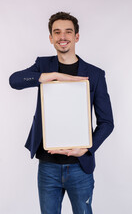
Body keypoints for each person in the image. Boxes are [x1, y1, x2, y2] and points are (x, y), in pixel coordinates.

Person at [9, 12, 114, 214]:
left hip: (80, 166)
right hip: (48, 165)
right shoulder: (43, 65)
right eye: (57, 32)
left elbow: (107, 122)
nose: (62, 37)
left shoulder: (95, 74)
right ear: (51, 38)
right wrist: (53, 76)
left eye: (68, 32)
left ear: (77, 37)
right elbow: (14, 81)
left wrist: (87, 149)